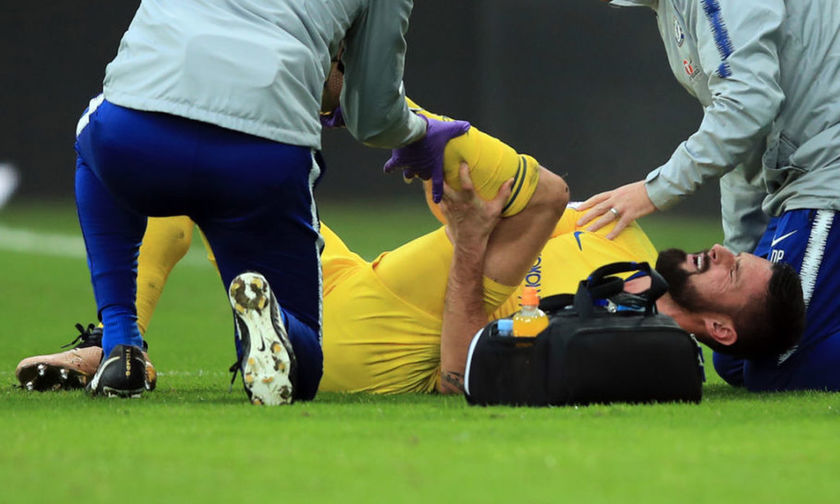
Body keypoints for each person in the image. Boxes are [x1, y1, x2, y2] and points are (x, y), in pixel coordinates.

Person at [17, 169, 806, 394]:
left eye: (737, 272)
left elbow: (464, 375)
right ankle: (124, 347)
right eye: (740, 249)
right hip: (355, 275)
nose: (720, 250)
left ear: (723, 331)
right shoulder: (623, 235)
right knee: (190, 175)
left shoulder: (644, 350)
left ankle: (288, 352)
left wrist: (468, 244)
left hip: (378, 343)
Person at [74, 0, 477, 404]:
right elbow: (374, 115)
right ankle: (277, 323)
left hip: (139, 131)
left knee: (91, 138)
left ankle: (121, 342)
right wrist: (419, 133)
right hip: (261, 150)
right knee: (305, 370)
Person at [576, 0, 840, 391]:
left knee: (780, 367)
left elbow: (747, 106)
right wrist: (738, 253)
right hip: (806, 175)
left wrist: (654, 191)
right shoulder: (671, 8)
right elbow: (745, 144)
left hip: (827, 169)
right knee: (734, 356)